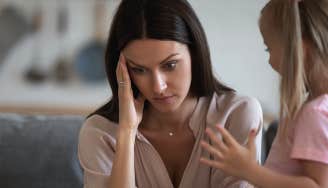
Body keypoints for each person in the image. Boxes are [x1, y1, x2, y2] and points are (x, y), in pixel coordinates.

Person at [78, 0, 263, 187]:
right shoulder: (100, 133)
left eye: (170, 65)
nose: (158, 87)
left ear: (195, 53)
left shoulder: (237, 115)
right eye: (139, 70)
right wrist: (126, 132)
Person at [200, 0, 328, 187]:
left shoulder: (318, 114)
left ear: (299, 49)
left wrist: (250, 171)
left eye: (269, 49)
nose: (270, 61)